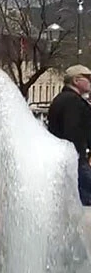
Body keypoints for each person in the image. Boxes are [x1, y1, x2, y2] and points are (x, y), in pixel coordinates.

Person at [47, 65, 91, 205]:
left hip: (68, 160)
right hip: (75, 161)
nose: (90, 82)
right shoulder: (72, 102)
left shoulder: (62, 99)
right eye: (88, 78)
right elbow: (72, 132)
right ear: (76, 80)